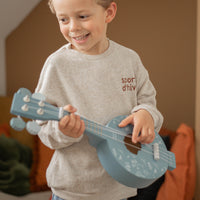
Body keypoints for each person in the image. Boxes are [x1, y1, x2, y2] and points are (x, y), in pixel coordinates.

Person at [35, 0, 163, 199]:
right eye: (63, 19)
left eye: (83, 16)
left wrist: (146, 113)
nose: (73, 27)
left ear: (109, 12)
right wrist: (63, 131)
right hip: (71, 192)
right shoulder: (56, 65)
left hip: (121, 189)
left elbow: (147, 101)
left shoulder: (129, 60)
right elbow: (43, 129)